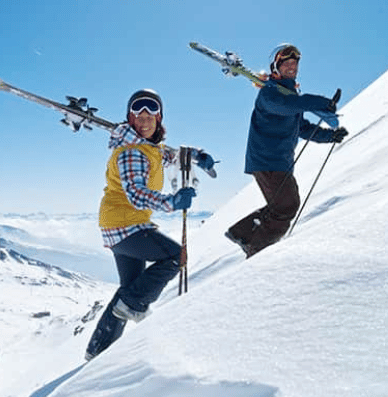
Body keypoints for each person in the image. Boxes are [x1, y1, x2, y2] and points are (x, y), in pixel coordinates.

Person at [84, 90, 216, 360]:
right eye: (138, 116)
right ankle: (132, 306)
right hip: (126, 224)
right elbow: (136, 193)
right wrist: (173, 202)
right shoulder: (132, 153)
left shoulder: (149, 149)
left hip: (119, 223)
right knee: (175, 257)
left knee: (129, 290)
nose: (144, 121)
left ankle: (98, 353)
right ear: (130, 120)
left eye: (150, 116)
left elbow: (170, 155)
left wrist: (196, 156)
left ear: (159, 119)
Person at [225, 44, 349, 258]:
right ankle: (256, 249)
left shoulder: (290, 95)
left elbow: (302, 127)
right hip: (267, 159)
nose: (292, 66)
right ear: (276, 66)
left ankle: (243, 234)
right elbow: (289, 106)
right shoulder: (270, 94)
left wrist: (330, 136)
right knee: (287, 205)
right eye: (287, 63)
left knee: (283, 205)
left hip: (279, 160)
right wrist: (321, 103)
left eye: (295, 63)